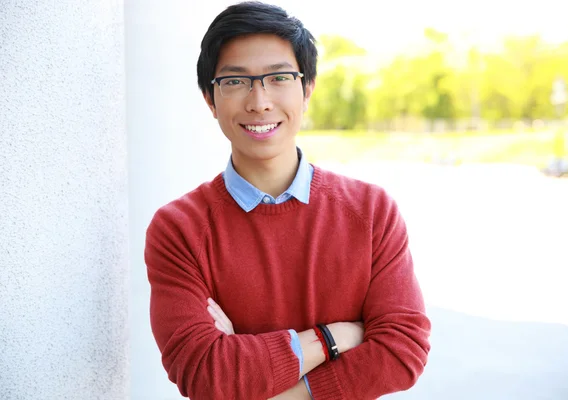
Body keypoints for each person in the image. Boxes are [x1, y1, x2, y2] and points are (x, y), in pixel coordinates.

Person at [144, 2, 431, 399]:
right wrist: (333, 337)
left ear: (307, 89)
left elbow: (402, 354)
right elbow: (203, 373)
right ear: (210, 100)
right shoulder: (179, 229)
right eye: (235, 81)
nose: (259, 101)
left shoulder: (371, 212)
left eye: (278, 77)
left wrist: (277, 386)